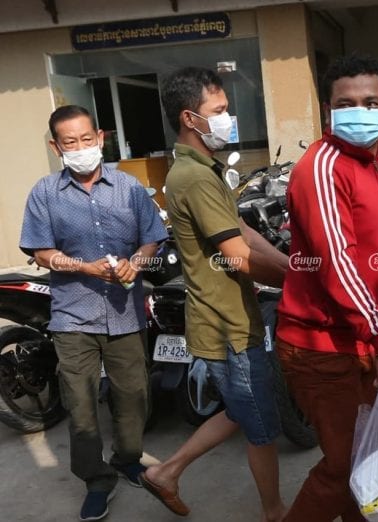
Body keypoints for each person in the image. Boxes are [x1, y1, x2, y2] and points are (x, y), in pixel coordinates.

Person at [139, 67, 289, 522]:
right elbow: (239, 257)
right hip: (229, 324)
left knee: (244, 411)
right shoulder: (196, 178)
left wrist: (290, 264)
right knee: (263, 427)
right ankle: (275, 512)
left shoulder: (205, 171)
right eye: (219, 111)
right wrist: (300, 278)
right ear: (190, 117)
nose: (229, 118)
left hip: (226, 316)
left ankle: (166, 471)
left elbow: (241, 230)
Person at [19, 104, 168, 521]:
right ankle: (96, 480)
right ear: (56, 146)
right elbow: (41, 251)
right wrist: (82, 267)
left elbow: (152, 239)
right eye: (70, 142)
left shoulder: (130, 189)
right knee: (81, 406)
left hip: (125, 313)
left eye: (87, 139)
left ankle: (127, 458)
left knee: (134, 395)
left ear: (101, 138)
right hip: (72, 317)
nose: (81, 148)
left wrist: (135, 263)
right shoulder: (45, 193)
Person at [275, 53, 378, 522]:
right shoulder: (323, 166)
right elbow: (337, 265)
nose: (359, 110)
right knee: (346, 464)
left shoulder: (375, 163)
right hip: (321, 345)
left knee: (365, 458)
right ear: (328, 110)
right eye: (345, 102)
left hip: (357, 337)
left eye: (371, 101)